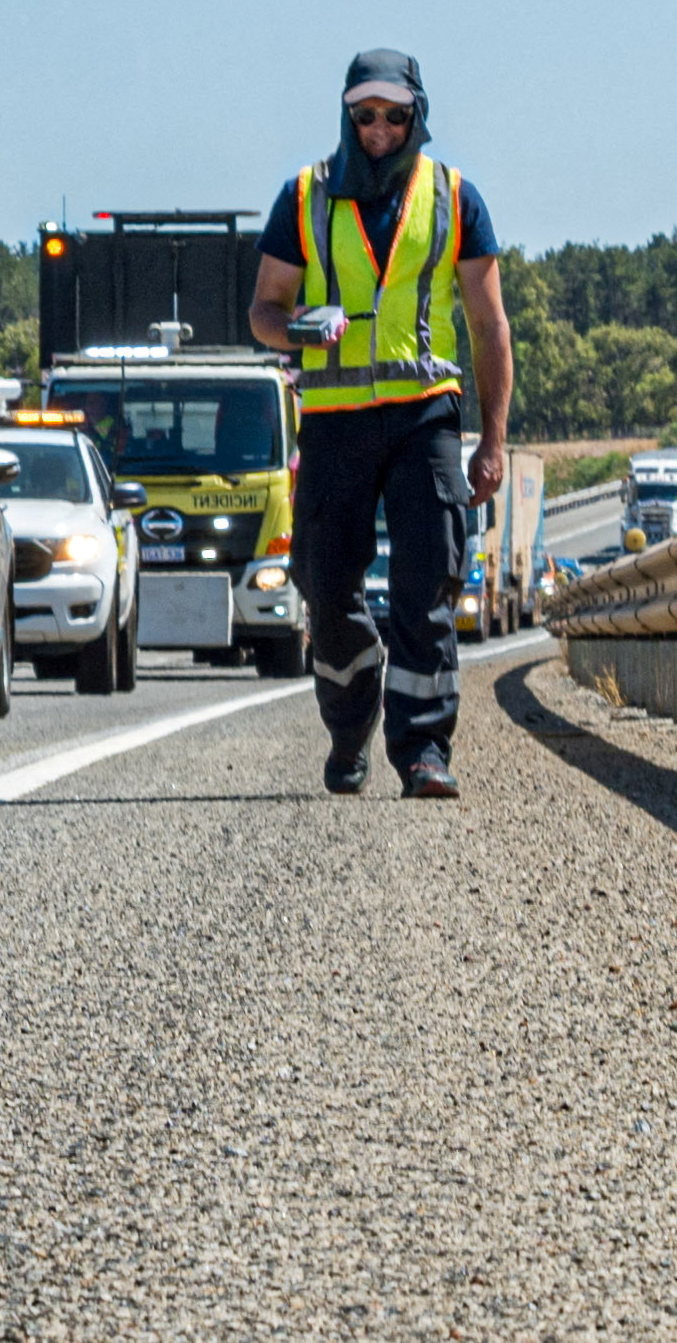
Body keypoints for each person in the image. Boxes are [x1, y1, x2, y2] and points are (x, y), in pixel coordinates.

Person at [247, 50, 513, 801]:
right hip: (332, 421)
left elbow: (490, 329)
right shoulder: (302, 197)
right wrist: (298, 328)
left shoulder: (456, 199)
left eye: (394, 115)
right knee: (326, 588)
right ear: (345, 114)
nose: (378, 128)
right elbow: (262, 312)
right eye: (364, 114)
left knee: (427, 575)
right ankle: (348, 722)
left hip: (423, 414)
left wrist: (490, 441)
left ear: (416, 115)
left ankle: (423, 747)